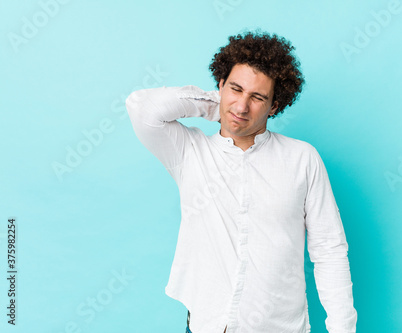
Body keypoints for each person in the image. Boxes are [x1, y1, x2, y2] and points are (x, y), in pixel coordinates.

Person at [126, 30, 357, 333]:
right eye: (236, 89)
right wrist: (218, 105)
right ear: (220, 84)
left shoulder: (303, 159)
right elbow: (142, 107)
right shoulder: (189, 152)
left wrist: (343, 329)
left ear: (274, 106)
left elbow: (329, 249)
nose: (242, 106)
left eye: (257, 97)